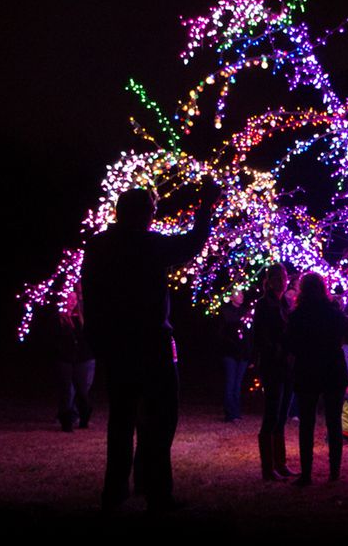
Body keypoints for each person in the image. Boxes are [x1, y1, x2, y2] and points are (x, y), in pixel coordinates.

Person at [81, 182, 218, 512]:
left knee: (121, 420)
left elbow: (92, 296)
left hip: (117, 346)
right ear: (144, 213)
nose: (154, 216)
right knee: (160, 419)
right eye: (152, 210)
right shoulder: (150, 244)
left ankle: (115, 492)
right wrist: (205, 207)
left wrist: (99, 339)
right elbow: (192, 244)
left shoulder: (99, 245)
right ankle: (156, 491)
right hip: (151, 344)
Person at [286, 272, 348, 485]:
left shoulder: (297, 315)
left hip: (307, 370)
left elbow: (289, 343)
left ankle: (307, 474)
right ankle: (334, 472)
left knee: (306, 424)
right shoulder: (334, 313)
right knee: (334, 423)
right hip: (332, 370)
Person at [253, 264, 294, 480]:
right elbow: (260, 336)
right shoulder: (263, 305)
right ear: (271, 280)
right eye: (279, 277)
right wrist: (276, 349)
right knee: (271, 414)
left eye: (285, 276)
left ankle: (280, 462)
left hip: (286, 365)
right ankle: (268, 468)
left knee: (281, 415)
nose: (284, 281)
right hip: (273, 365)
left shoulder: (285, 303)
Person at [49, 283, 94, 433]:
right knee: (66, 391)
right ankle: (66, 422)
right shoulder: (58, 319)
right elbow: (54, 339)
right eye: (68, 299)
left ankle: (83, 419)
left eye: (73, 299)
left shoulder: (81, 318)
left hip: (83, 358)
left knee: (82, 391)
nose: (71, 302)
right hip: (65, 359)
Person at [218, 289, 251, 423]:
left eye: (242, 294)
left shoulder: (246, 312)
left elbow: (249, 334)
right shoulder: (226, 312)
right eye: (239, 294)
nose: (242, 296)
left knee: (237, 384)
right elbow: (223, 332)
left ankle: (236, 412)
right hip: (230, 352)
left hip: (243, 353)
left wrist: (249, 353)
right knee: (231, 383)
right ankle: (230, 413)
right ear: (231, 297)